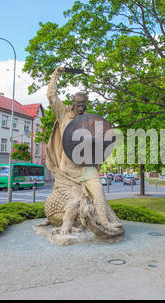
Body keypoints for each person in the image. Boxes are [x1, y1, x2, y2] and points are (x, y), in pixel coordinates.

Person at [46, 65, 121, 230]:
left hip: (86, 167)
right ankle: (70, 221)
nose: (81, 107)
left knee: (98, 192)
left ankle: (105, 221)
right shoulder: (63, 114)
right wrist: (56, 74)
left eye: (83, 104)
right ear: (73, 103)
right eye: (78, 104)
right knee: (77, 199)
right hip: (68, 170)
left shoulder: (89, 121)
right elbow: (51, 96)